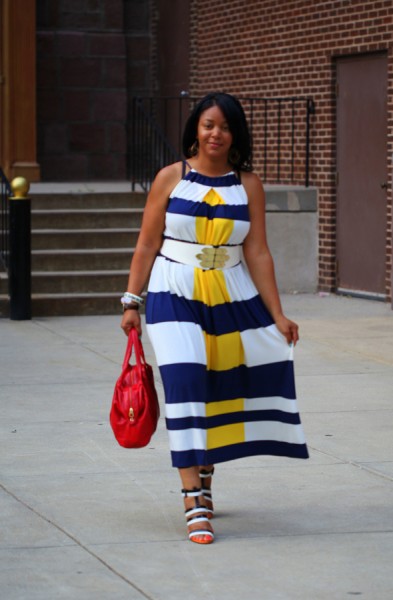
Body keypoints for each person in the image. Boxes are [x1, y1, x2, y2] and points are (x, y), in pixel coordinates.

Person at [121, 92, 309, 545]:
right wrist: (132, 300)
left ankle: (205, 472)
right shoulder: (170, 178)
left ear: (235, 134)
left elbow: (258, 251)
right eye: (207, 124)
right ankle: (192, 498)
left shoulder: (248, 184)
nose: (215, 133)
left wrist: (277, 313)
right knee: (185, 383)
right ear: (195, 129)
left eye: (224, 126)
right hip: (173, 292)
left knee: (218, 387)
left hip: (231, 294)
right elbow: (147, 243)